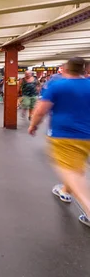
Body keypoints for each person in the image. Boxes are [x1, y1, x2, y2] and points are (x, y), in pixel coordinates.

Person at [29, 57, 90, 227]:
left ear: (66, 69)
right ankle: (64, 191)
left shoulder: (58, 85)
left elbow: (41, 110)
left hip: (64, 134)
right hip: (87, 134)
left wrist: (33, 125)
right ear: (84, 69)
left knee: (67, 169)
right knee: (76, 166)